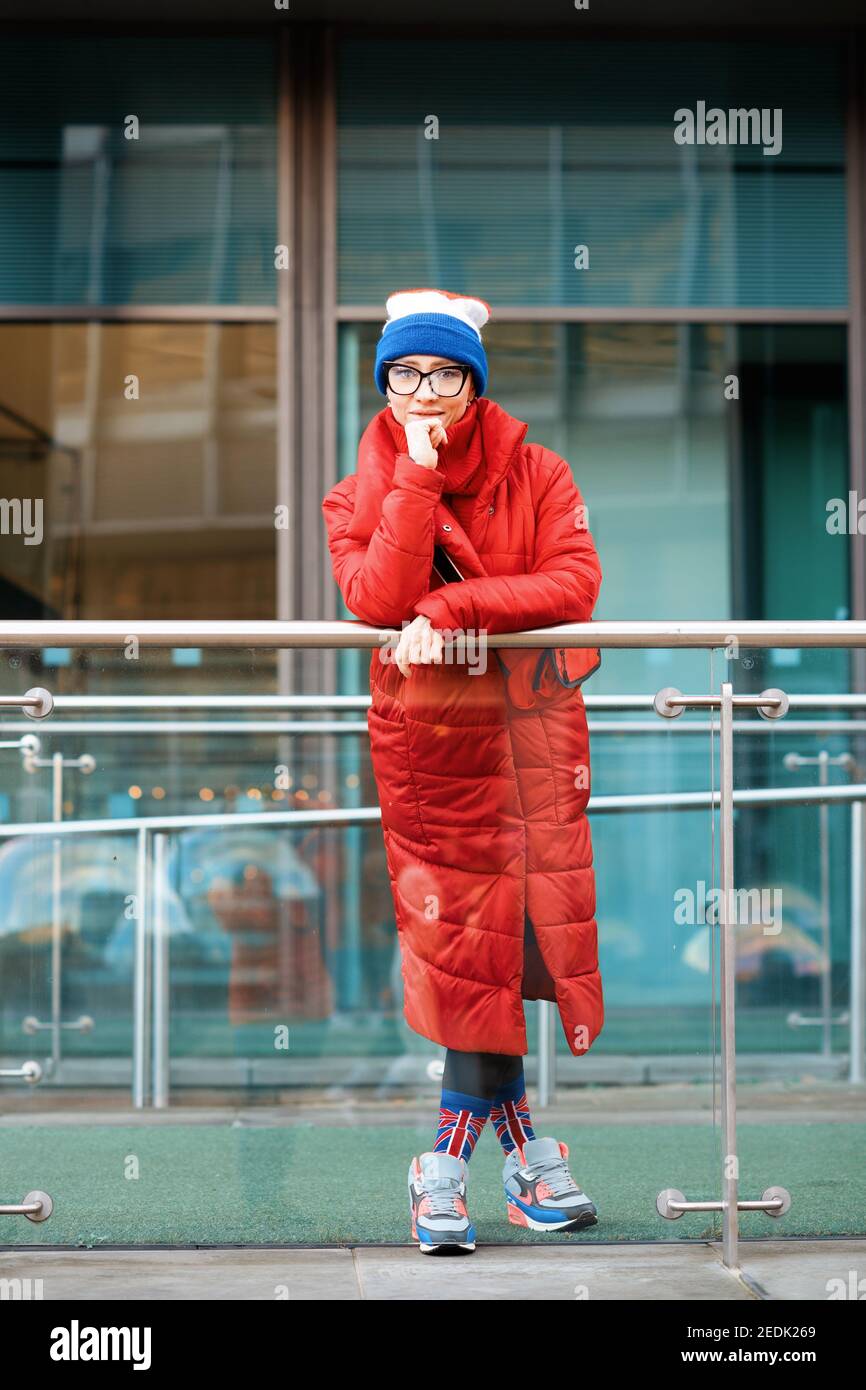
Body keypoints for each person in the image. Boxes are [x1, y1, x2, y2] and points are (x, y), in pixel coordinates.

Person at [322, 288, 604, 1254]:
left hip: (532, 744)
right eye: (406, 376)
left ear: (475, 383)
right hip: (434, 755)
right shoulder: (354, 490)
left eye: (445, 375)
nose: (426, 393)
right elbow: (375, 595)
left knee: (516, 953)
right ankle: (450, 1175)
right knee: (470, 959)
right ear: (386, 385)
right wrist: (413, 479)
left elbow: (575, 582)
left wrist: (453, 614)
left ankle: (519, 1163)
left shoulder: (541, 471)